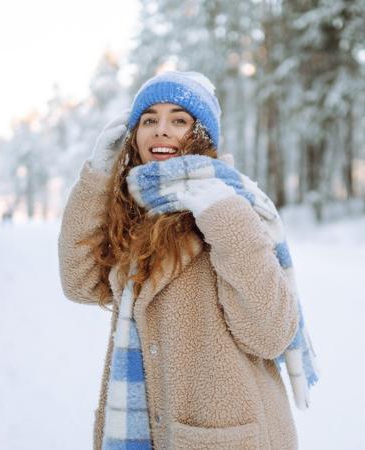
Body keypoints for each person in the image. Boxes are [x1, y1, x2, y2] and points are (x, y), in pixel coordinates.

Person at [58, 71, 317, 449]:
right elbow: (78, 282)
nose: (161, 130)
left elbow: (271, 333)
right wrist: (98, 176)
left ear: (202, 135)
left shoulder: (233, 205)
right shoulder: (135, 214)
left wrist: (224, 217)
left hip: (229, 437)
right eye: (149, 120)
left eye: (179, 120)